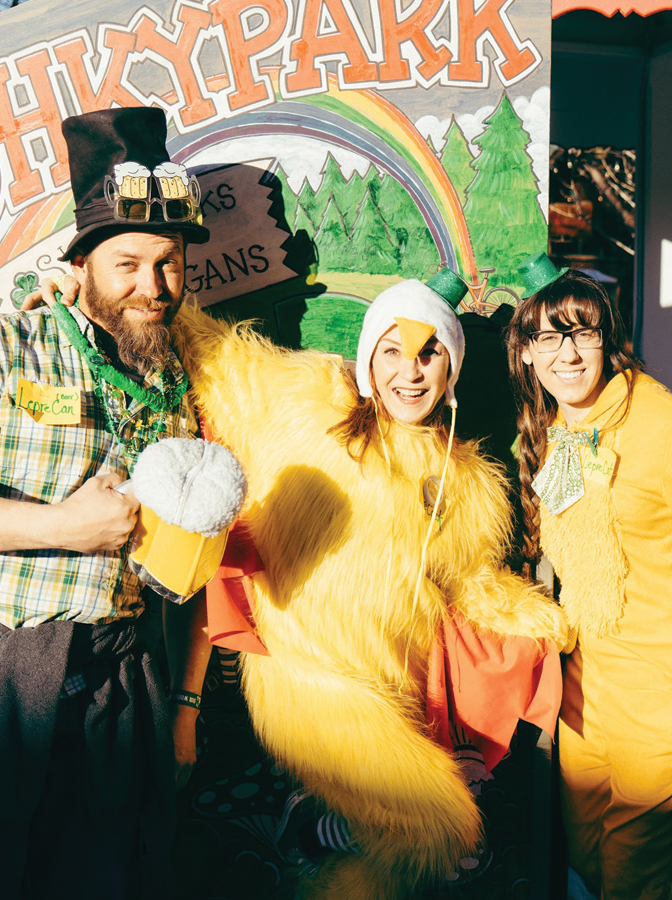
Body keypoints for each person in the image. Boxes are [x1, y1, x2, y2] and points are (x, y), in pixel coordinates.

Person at [170, 273, 568, 899]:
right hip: (306, 680)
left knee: (416, 839)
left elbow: (472, 585)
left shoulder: (467, 481)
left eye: (429, 353)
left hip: (392, 691)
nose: (410, 372)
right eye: (392, 351)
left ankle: (317, 831)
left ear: (451, 365)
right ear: (367, 358)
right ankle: (320, 836)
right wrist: (74, 288)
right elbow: (210, 353)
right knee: (437, 829)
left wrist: (550, 622)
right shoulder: (307, 401)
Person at [1, 106, 212, 899]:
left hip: (126, 679)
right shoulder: (13, 344)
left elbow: (197, 565)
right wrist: (61, 526)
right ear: (81, 260)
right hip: (14, 672)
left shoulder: (177, 381)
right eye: (127, 263)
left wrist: (183, 707)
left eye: (168, 264)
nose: (151, 288)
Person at [505, 254, 672, 900]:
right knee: (586, 847)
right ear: (526, 354)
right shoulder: (551, 428)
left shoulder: (662, 421)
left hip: (659, 679)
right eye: (549, 337)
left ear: (607, 340)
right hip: (584, 678)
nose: (567, 354)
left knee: (636, 860)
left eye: (583, 334)